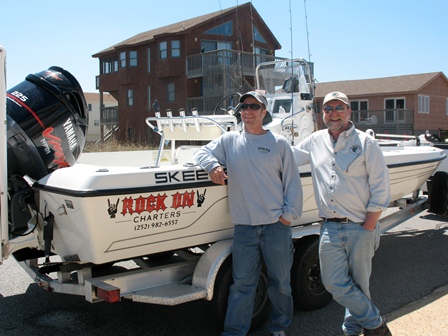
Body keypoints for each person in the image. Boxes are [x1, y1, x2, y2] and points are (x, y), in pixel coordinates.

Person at [194, 91, 302, 336]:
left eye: (254, 106)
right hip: (244, 228)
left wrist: (287, 217)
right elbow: (201, 153)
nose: (247, 111)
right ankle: (234, 332)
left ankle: (278, 328)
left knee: (280, 284)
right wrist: (213, 165)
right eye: (243, 106)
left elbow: (292, 183)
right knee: (242, 284)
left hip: (276, 226)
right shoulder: (229, 140)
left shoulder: (279, 143)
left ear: (264, 112)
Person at [294, 91, 392, 336]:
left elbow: (381, 185)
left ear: (349, 112)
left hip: (360, 225)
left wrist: (369, 225)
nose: (333, 113)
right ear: (322, 114)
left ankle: (352, 330)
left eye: (339, 108)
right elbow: (287, 157)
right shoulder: (314, 141)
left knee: (359, 286)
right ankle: (376, 324)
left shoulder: (365, 142)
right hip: (329, 227)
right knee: (334, 283)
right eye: (328, 109)